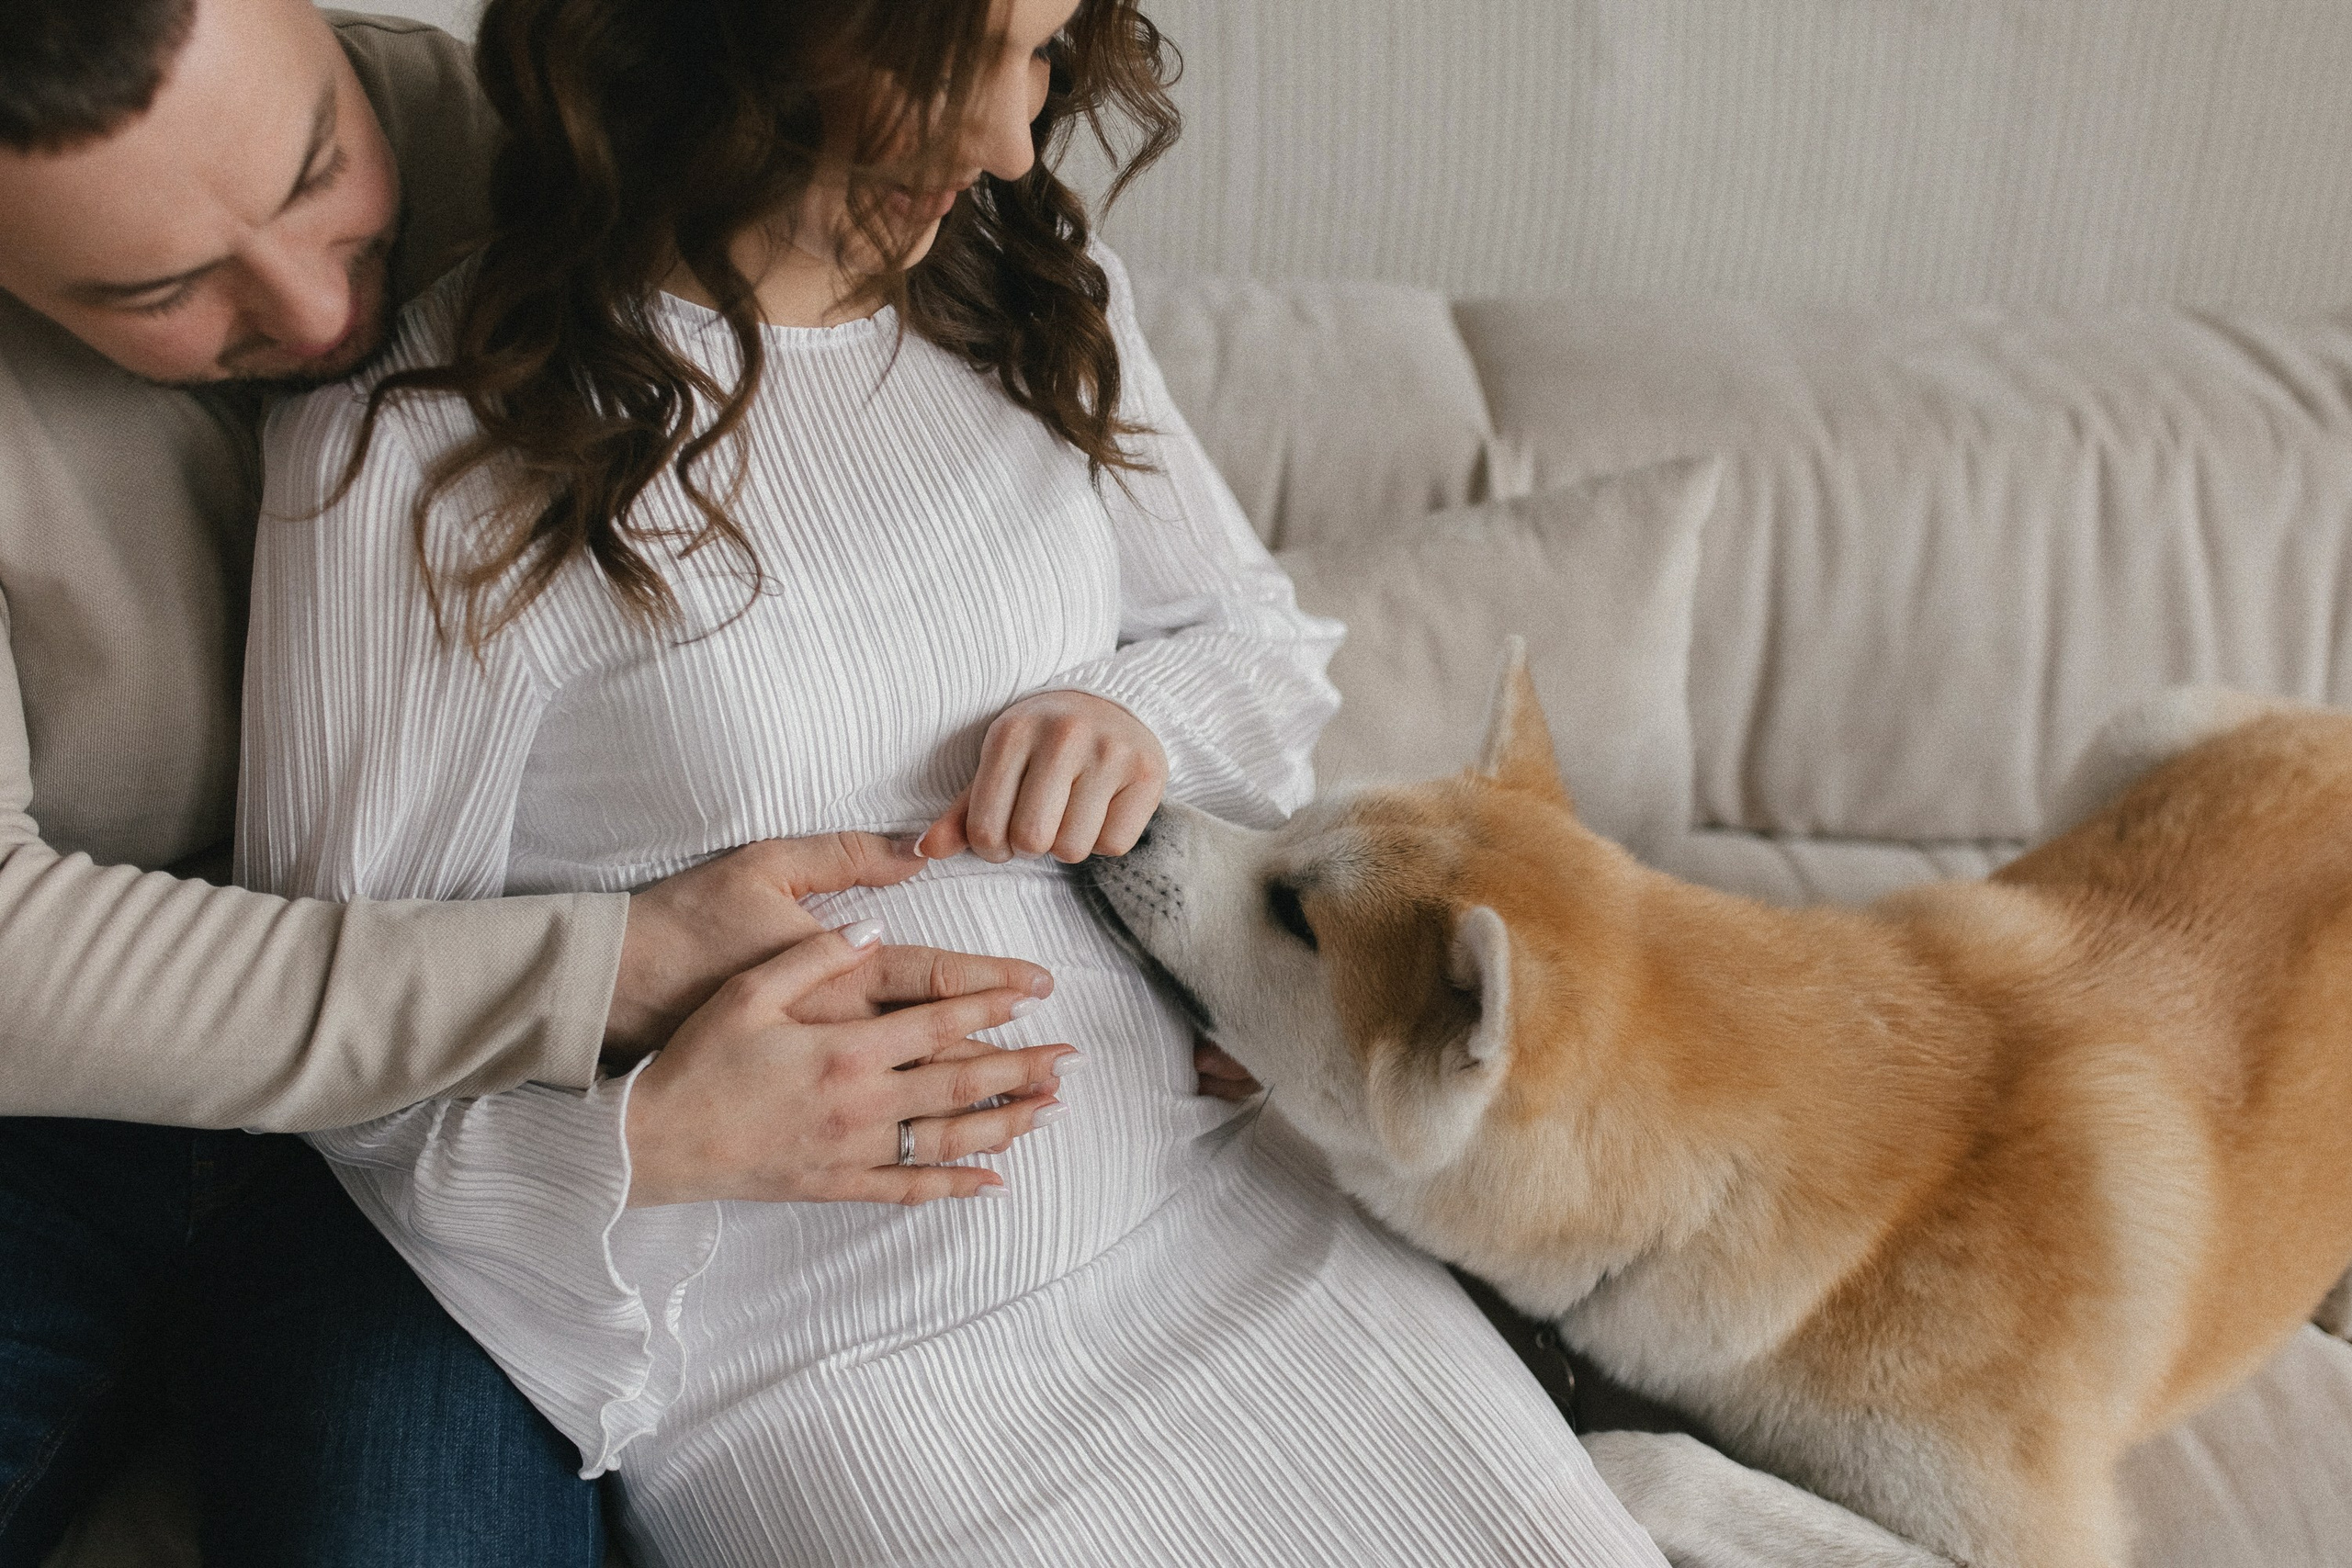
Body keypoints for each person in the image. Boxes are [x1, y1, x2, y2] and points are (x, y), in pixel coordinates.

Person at [239, 0, 1671, 1561]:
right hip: (844, 1368)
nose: (1008, 140)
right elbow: (331, 1057)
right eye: (951, 70)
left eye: (1045, 52)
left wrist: (1125, 712)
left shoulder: (1026, 292)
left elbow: (1261, 642)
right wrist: (643, 1141)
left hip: (1240, 1222)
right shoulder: (421, 463)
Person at [0, 3, 1076, 1562]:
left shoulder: (574, 135)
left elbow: (1060, 474)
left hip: (487, 1121)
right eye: (157, 292)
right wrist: (596, 969)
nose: (311, 308)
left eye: (321, 172)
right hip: (84, 1122)